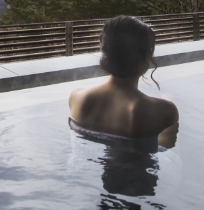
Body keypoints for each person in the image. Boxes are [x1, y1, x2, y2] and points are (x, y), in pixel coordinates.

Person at [69, 16, 179, 147]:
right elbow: (166, 148)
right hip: (138, 167)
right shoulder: (163, 110)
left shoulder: (76, 97)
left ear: (105, 54)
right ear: (146, 57)